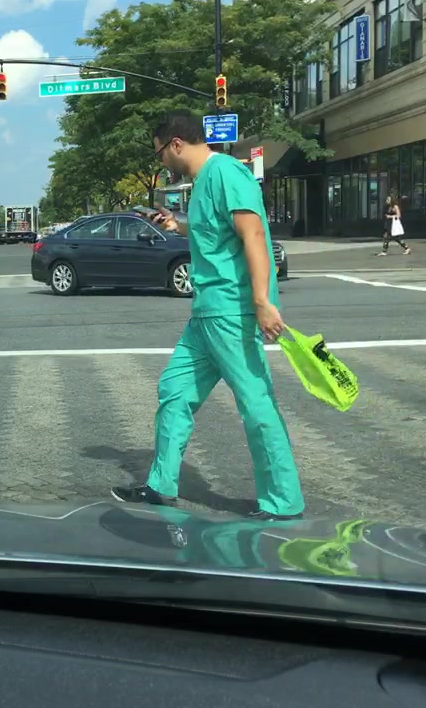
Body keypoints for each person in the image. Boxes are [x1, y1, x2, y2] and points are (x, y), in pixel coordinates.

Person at [110, 109, 304, 521]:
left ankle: (283, 502)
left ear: (176, 144)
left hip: (232, 311)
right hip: (205, 315)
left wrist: (262, 301)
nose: (161, 161)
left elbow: (253, 234)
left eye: (160, 153)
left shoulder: (226, 173)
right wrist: (177, 226)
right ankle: (161, 486)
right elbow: (212, 232)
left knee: (256, 405)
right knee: (174, 390)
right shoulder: (202, 183)